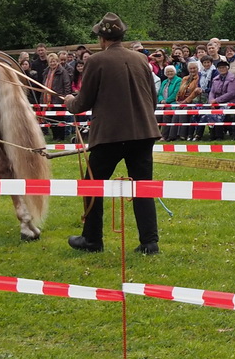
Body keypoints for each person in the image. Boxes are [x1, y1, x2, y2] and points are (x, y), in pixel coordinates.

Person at [65, 13, 162, 256]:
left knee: (92, 185)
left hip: (110, 135)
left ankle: (92, 239)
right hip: (143, 133)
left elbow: (82, 103)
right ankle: (149, 243)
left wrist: (69, 102)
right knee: (142, 188)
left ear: (102, 37)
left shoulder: (97, 61)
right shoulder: (141, 59)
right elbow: (153, 99)